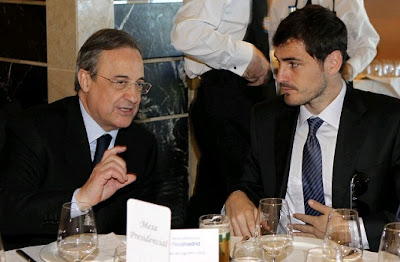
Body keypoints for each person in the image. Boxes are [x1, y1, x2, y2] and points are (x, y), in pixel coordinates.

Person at [225, 5, 400, 252]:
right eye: (279, 62)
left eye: (293, 64)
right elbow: (249, 185)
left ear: (332, 62)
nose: (281, 76)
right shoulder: (267, 118)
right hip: (281, 254)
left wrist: (351, 231)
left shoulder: (387, 120)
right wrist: (236, 197)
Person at [0, 29, 158, 249]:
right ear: (85, 80)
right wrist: (79, 199)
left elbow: (155, 221)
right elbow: (8, 213)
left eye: (139, 84)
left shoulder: (143, 143)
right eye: (121, 82)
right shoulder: (34, 130)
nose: (133, 97)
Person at [171, 0, 276, 228]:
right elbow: (186, 33)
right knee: (231, 198)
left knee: (222, 194)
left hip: (245, 100)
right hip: (227, 99)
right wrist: (245, 56)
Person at [267, 0, 379, 83]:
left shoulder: (348, 2)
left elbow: (367, 44)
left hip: (335, 83)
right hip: (292, 84)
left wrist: (350, 68)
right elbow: (273, 47)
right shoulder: (279, 2)